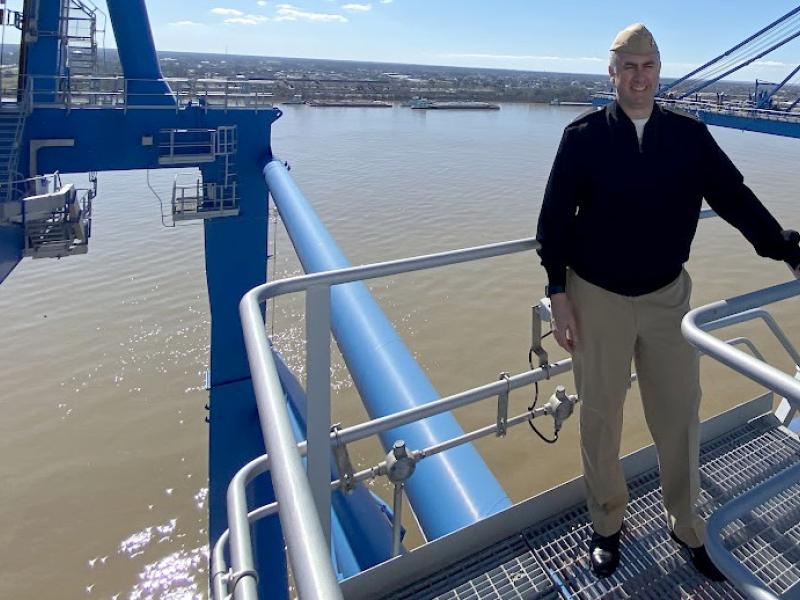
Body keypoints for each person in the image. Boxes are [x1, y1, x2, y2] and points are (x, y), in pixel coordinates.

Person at [536, 23, 800, 581]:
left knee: (679, 416)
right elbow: (554, 221)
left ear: (660, 72)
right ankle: (607, 525)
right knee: (601, 417)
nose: (638, 77)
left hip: (666, 297)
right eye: (627, 67)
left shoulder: (688, 136)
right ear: (611, 74)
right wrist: (558, 293)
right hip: (596, 296)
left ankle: (687, 526)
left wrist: (783, 249)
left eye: (647, 66)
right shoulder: (582, 137)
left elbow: (733, 197)